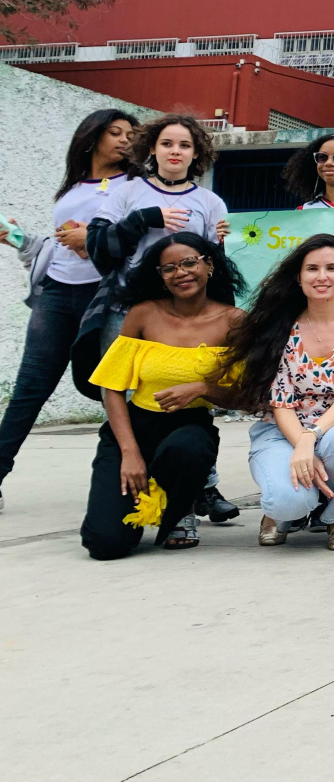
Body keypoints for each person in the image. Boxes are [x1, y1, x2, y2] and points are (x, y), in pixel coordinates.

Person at [79, 114, 238, 527]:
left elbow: (210, 264)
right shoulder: (127, 192)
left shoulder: (210, 203)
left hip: (187, 311)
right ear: (152, 149)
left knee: (194, 399)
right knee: (126, 394)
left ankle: (200, 485)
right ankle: (129, 471)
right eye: (167, 143)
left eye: (184, 145)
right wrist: (144, 219)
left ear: (196, 153)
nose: (175, 151)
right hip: (131, 307)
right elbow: (98, 248)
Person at [0, 109, 138, 512]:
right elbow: (57, 247)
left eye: (131, 134)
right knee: (30, 388)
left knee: (117, 391)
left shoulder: (135, 186)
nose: (125, 140)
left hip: (107, 295)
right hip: (57, 293)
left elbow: (142, 239)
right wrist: (20, 240)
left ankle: (153, 478)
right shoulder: (72, 187)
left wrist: (93, 238)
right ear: (92, 137)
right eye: (115, 132)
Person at [79, 234, 243, 558]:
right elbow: (111, 387)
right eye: (169, 268)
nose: (180, 272)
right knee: (106, 543)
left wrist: (203, 388)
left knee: (186, 449)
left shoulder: (234, 321)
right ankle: (147, 500)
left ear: (208, 265)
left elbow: (246, 396)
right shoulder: (142, 315)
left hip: (190, 429)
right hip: (133, 429)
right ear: (160, 276)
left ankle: (180, 506)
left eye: (188, 262)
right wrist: (129, 452)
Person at [221, 234, 334, 550]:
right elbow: (280, 403)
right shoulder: (279, 327)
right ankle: (280, 514)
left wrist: (312, 437)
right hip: (283, 432)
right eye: (312, 269)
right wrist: (302, 444)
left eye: (331, 268)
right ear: (298, 276)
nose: (322, 277)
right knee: (287, 502)